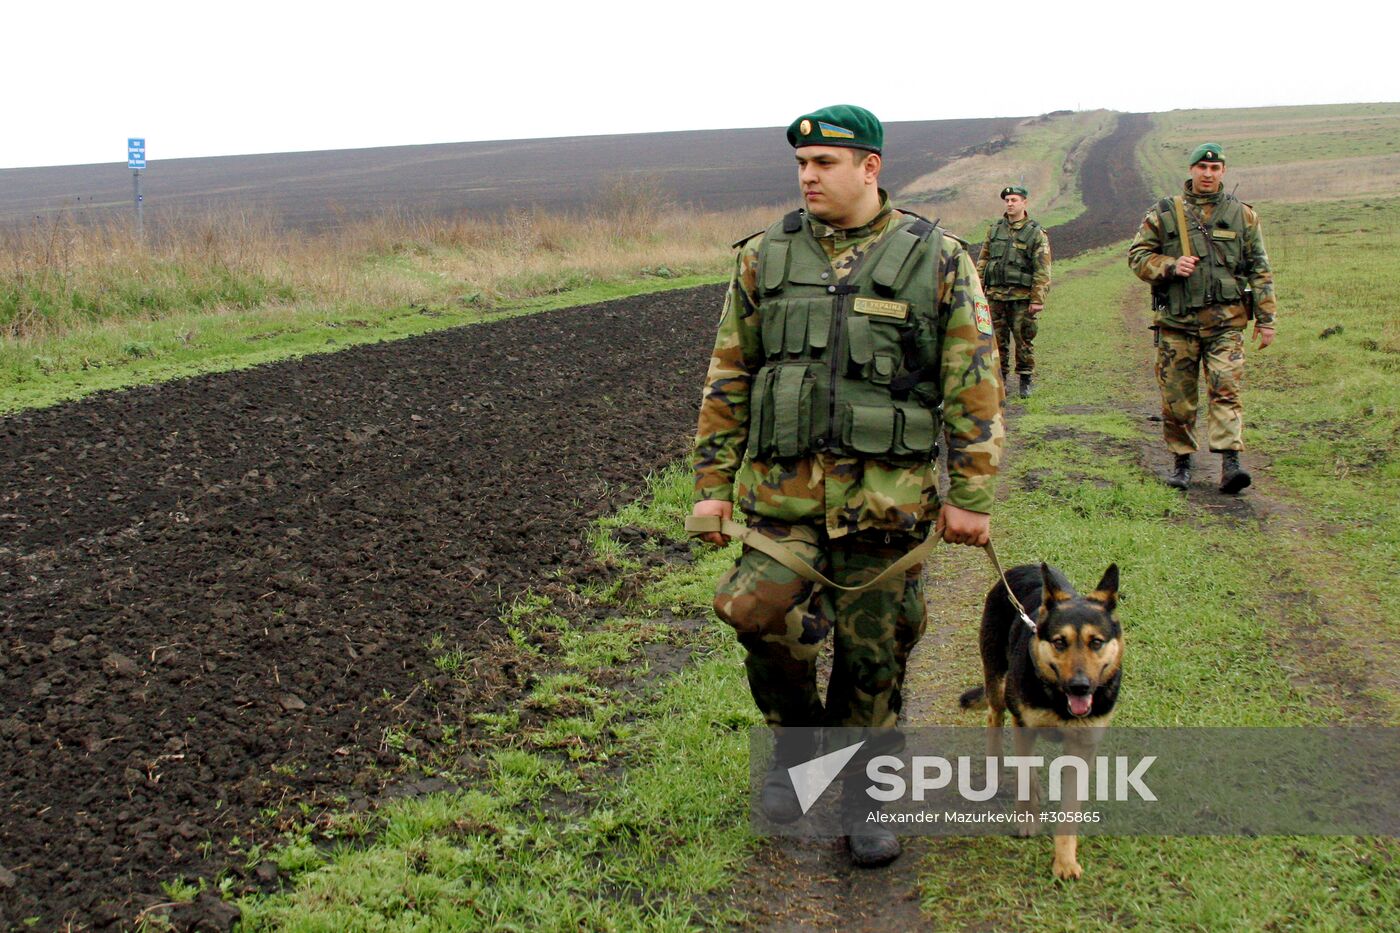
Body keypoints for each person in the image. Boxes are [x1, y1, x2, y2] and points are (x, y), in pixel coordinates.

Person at [688, 105, 1004, 867]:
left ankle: (870, 795)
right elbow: (730, 372)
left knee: (874, 659)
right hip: (782, 497)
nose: (808, 176)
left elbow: (974, 382)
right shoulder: (765, 255)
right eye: (802, 164)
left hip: (885, 503)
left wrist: (970, 493)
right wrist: (712, 484)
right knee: (754, 614)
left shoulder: (937, 258)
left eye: (825, 163)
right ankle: (799, 752)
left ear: (871, 167)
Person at [1128, 143, 1277, 493]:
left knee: (1226, 388)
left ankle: (1230, 463)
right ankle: (1182, 462)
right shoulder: (1164, 213)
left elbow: (1260, 269)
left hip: (1227, 323)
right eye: (1202, 168)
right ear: (1192, 170)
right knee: (1177, 396)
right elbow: (1137, 256)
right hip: (1178, 323)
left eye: (1215, 168)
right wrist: (1169, 265)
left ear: (1223, 171)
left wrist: (1267, 319)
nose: (1208, 174)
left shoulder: (1243, 215)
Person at [975, 185, 1051, 399]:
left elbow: (1042, 267)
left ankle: (1025, 380)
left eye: (1014, 200)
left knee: (1024, 339)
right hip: (995, 296)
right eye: (1007, 200)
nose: (1010, 203)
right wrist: (977, 288)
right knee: (995, 341)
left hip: (1021, 298)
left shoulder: (1035, 232)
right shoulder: (995, 229)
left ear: (1024, 202)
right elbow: (983, 260)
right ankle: (1000, 381)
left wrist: (1038, 298)